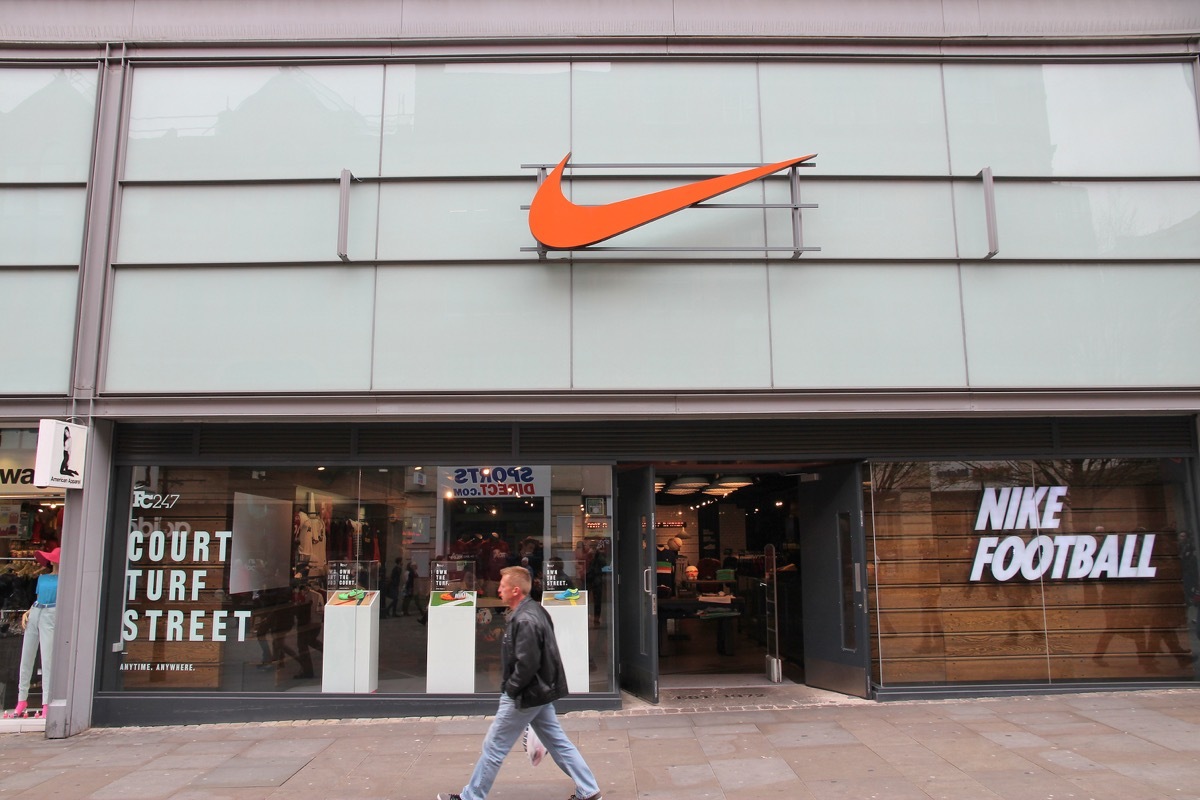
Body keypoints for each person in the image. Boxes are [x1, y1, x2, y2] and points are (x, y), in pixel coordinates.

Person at [438, 566, 602, 800]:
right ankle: (589, 789)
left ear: (515, 590)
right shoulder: (534, 610)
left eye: (503, 585)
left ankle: (471, 796)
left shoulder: (525, 619)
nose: (499, 588)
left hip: (526, 695)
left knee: (494, 746)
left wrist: (511, 690)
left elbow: (528, 663)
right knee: (557, 742)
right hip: (539, 692)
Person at [4, 547, 60, 719]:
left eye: (53, 558)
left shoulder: (66, 580)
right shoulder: (42, 578)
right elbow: (38, 598)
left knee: (47, 658)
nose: (50, 561)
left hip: (52, 613)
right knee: (26, 657)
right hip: (36, 611)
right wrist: (29, 611)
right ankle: (21, 699)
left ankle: (46, 702)